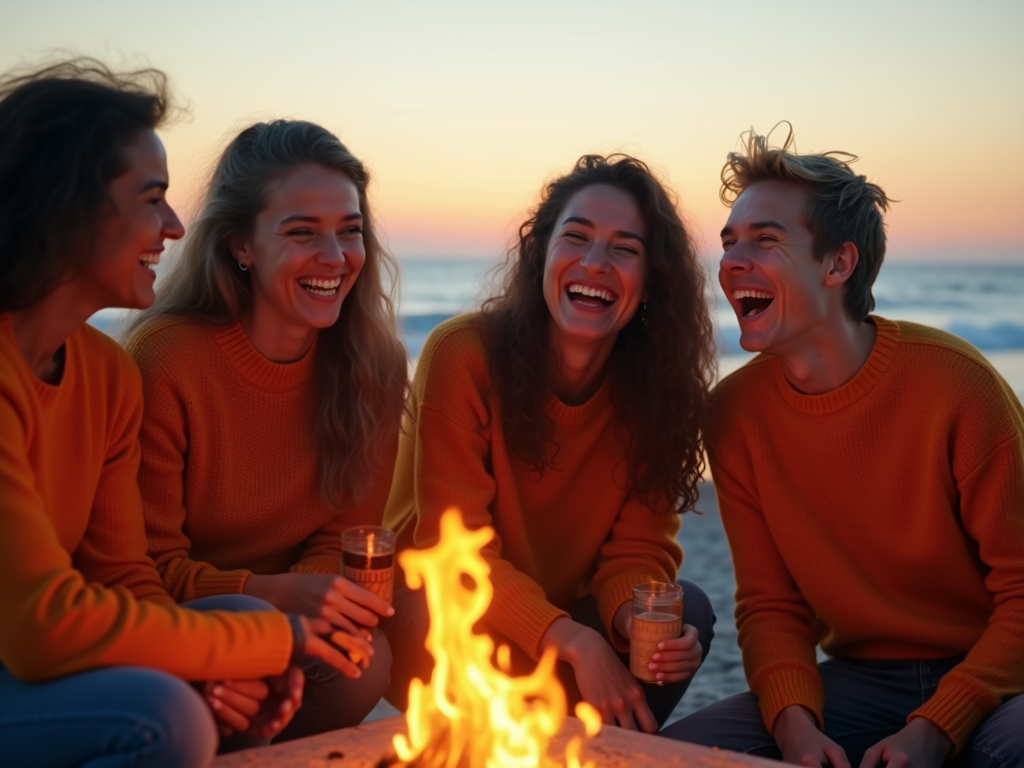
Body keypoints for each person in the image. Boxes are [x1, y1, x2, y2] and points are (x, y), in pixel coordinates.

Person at [0, 58, 375, 767]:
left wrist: (214, 658)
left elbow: (126, 580)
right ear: (66, 208)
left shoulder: (105, 375)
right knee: (167, 713)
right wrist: (271, 641)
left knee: (239, 628)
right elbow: (40, 627)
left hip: (42, 660)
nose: (174, 226)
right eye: (151, 200)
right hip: (21, 657)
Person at [661, 126, 1024, 767]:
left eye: (765, 240)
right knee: (675, 758)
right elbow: (771, 605)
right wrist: (797, 732)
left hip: (1000, 675)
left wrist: (938, 726)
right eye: (729, 242)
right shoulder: (734, 415)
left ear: (839, 263)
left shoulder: (957, 384)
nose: (731, 262)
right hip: (861, 681)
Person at [384, 154, 717, 733]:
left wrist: (632, 627)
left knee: (684, 610)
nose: (595, 263)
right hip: (434, 612)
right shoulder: (462, 355)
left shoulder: (661, 397)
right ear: (542, 252)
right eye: (577, 237)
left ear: (653, 279)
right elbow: (452, 551)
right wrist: (574, 641)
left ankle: (571, 738)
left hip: (559, 623)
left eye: (626, 249)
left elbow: (636, 556)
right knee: (468, 631)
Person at [123, 118, 408, 741]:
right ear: (240, 245)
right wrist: (273, 594)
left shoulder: (373, 364)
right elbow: (142, 568)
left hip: (289, 616)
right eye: (302, 232)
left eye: (349, 231)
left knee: (365, 661)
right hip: (179, 620)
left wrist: (315, 596)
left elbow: (346, 534)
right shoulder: (166, 360)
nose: (334, 258)